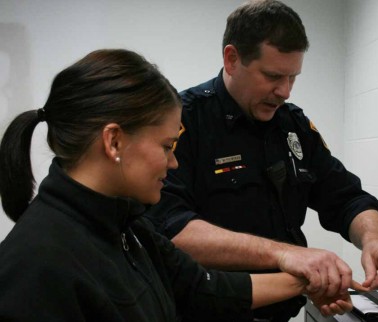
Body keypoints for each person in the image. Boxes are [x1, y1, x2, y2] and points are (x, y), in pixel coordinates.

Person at [0, 49, 358, 321]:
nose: (173, 162)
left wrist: (313, 278)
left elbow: (204, 286)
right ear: (114, 142)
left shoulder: (129, 226)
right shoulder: (37, 266)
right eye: (167, 146)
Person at [147, 1, 378, 321]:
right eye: (272, 76)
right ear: (232, 59)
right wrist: (287, 255)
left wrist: (376, 242)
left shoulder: (294, 125)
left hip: (282, 311)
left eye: (293, 77)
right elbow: (172, 230)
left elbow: (347, 198)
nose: (284, 91)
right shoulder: (184, 121)